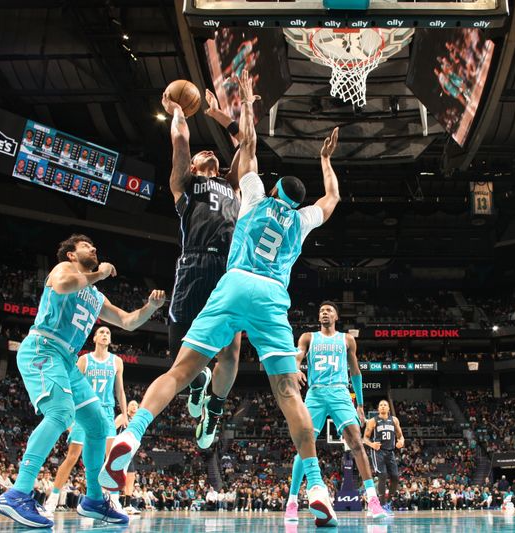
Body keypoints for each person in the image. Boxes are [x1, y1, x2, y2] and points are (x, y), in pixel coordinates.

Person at [103, 70, 342, 527]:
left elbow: (247, 144)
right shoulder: (303, 219)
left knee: (180, 371)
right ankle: (316, 485)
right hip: (270, 292)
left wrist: (246, 103)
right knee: (289, 392)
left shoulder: (250, 195)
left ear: (272, 191)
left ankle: (132, 436)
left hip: (232, 280)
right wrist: (326, 159)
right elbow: (330, 198)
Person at [0, 234, 165, 528]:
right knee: (60, 413)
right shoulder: (63, 269)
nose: (94, 248)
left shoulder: (96, 296)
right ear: (71, 254)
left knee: (98, 425)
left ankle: (95, 500)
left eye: (94, 246)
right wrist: (100, 273)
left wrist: (150, 307)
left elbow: (128, 322)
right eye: (86, 246)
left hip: (68, 361)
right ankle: (17, 493)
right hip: (43, 349)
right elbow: (63, 287)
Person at [163, 82, 243, 449]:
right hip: (193, 265)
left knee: (231, 350)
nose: (207, 151)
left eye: (214, 152)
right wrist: (177, 109)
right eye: (202, 153)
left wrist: (219, 117)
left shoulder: (234, 187)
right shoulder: (185, 184)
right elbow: (181, 142)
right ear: (195, 166)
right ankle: (197, 384)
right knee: (181, 355)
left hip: (228, 271)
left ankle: (215, 408)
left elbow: (247, 146)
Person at [284, 301, 386, 523]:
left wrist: (359, 404)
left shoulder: (347, 339)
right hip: (316, 394)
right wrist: (293, 369)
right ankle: (291, 502)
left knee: (357, 443)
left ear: (336, 316)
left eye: (328, 310)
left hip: (340, 392)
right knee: (304, 445)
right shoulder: (308, 337)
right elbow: (298, 355)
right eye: (321, 311)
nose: (324, 313)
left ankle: (373, 500)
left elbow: (356, 371)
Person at [45, 326, 127, 513]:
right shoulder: (84, 360)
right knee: (72, 457)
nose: (105, 335)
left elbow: (120, 390)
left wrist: (124, 414)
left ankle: (114, 500)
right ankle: (53, 499)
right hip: (85, 410)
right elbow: (72, 388)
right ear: (95, 338)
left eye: (108, 333)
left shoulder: (117, 362)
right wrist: (70, 417)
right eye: (102, 332)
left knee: (111, 458)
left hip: (106, 412)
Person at [364, 399, 406, 514]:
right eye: (381, 405)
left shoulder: (394, 420)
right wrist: (372, 444)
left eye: (385, 405)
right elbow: (365, 438)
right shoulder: (373, 421)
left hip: (390, 451)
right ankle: (382, 505)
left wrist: (401, 442)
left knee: (396, 477)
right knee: (382, 475)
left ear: (388, 408)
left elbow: (401, 436)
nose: (383, 406)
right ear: (378, 409)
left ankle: (388, 502)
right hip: (378, 451)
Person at [116, 401, 141, 514]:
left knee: (131, 477)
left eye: (136, 405)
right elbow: (111, 428)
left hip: (130, 452)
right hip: (119, 450)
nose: (134, 407)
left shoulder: (137, 421)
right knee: (115, 477)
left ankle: (127, 505)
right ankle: (111, 501)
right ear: (127, 407)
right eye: (132, 405)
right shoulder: (122, 417)